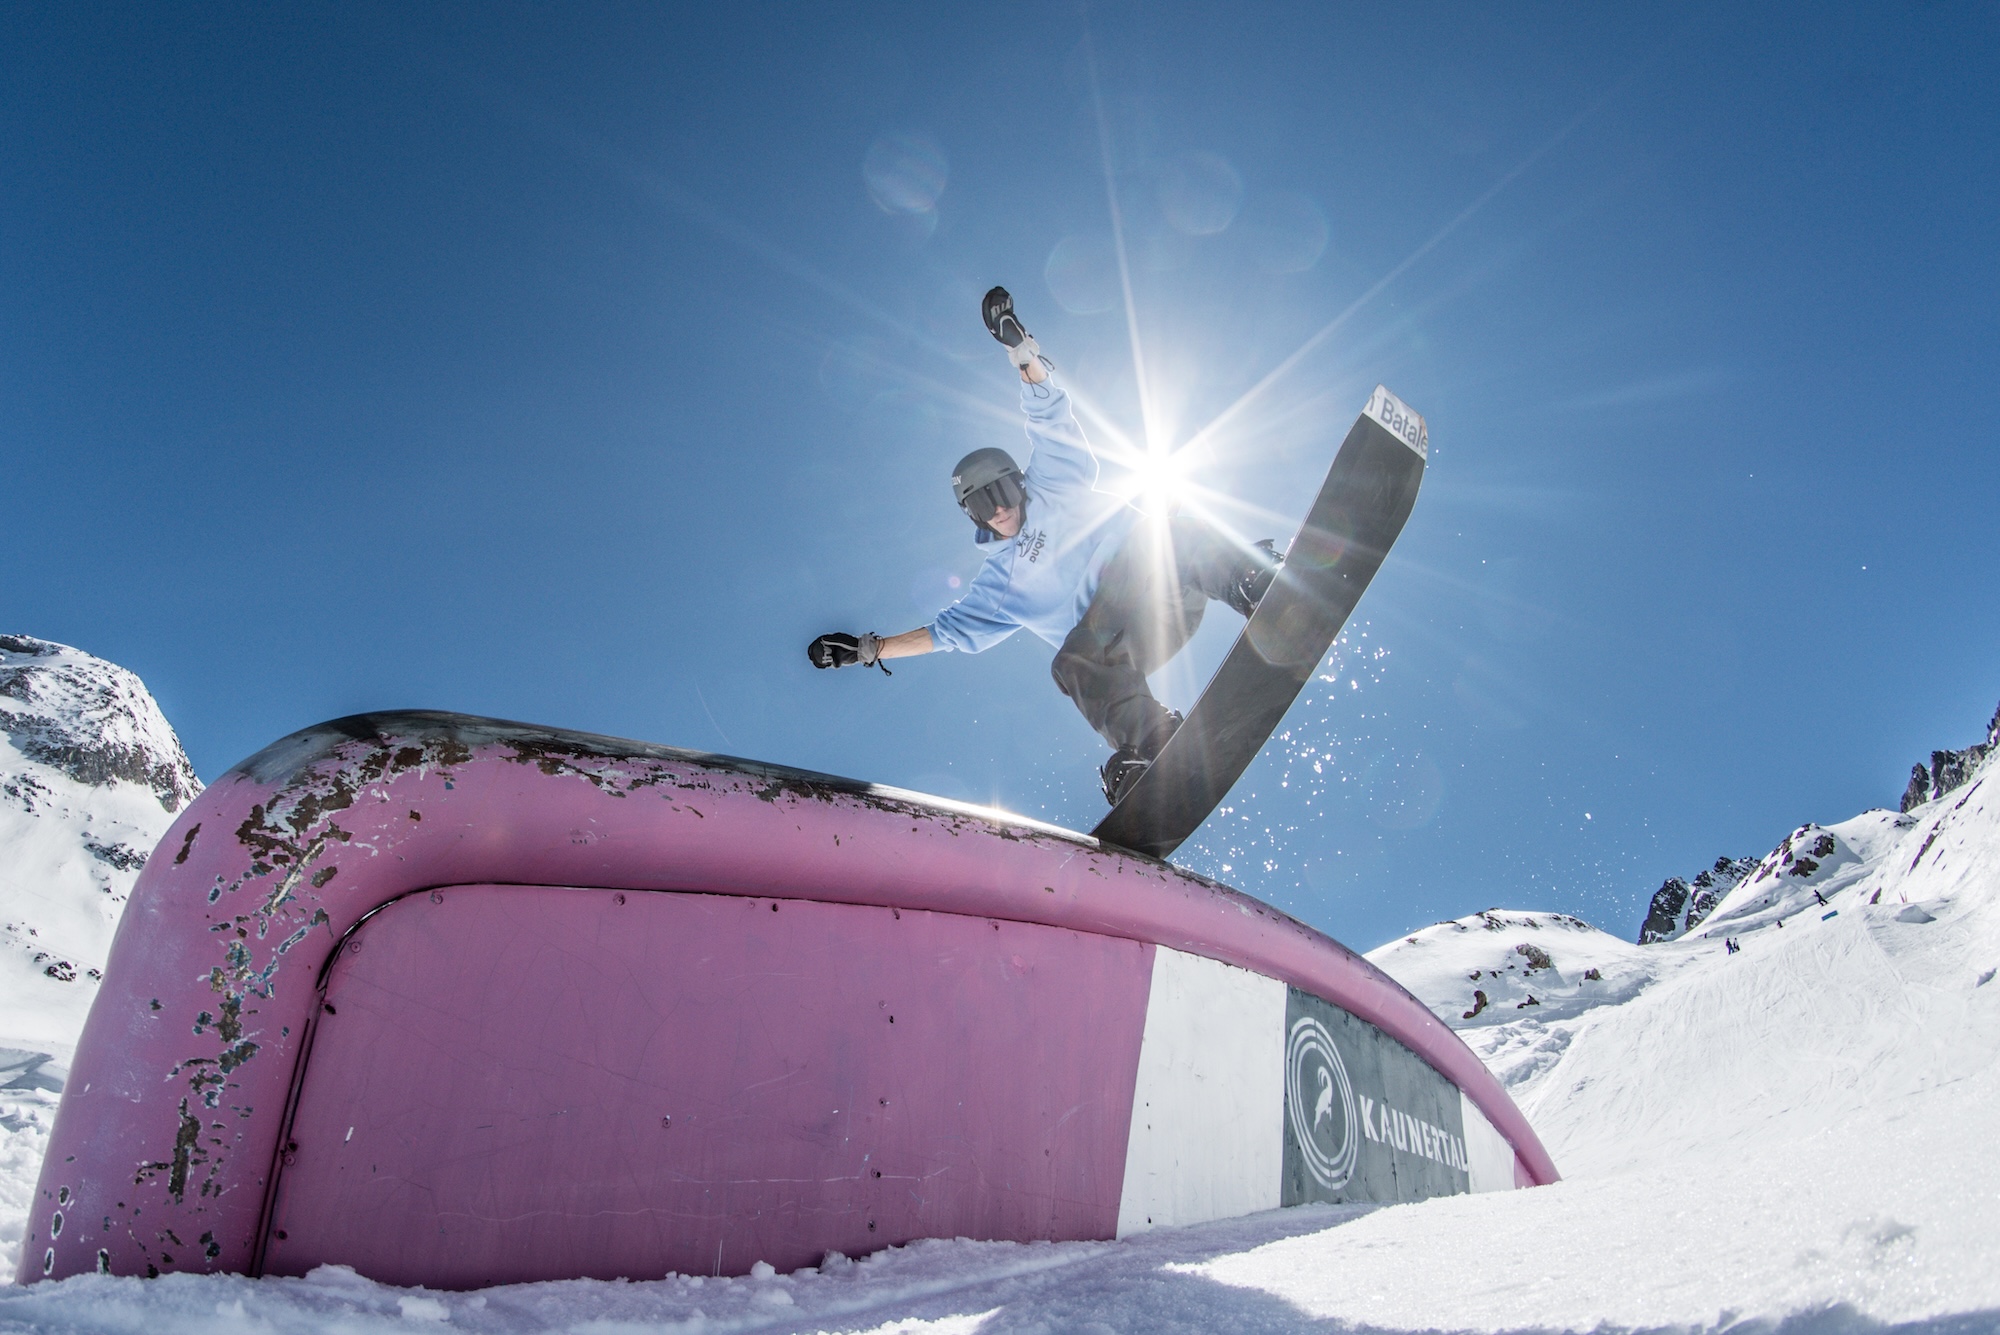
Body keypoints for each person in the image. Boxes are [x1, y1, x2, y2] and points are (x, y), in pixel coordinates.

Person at [809, 287, 1281, 804]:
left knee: (1164, 526)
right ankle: (1153, 743)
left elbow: (1049, 416)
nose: (1001, 509)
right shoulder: (999, 585)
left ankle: (1251, 579)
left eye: (1004, 491)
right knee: (1069, 661)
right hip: (1126, 643)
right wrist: (867, 650)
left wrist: (1023, 355)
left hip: (1165, 582)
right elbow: (945, 633)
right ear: (973, 517)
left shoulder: (1055, 481)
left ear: (1020, 481)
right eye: (984, 505)